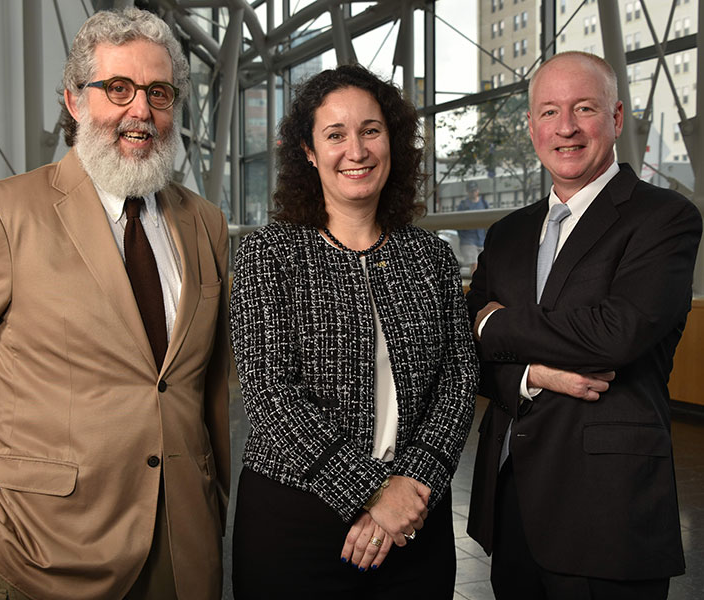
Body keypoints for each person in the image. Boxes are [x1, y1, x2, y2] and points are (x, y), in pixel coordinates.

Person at [0, 8, 230, 600]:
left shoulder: (204, 222)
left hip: (185, 539)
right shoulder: (4, 214)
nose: (141, 111)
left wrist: (218, 494)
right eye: (118, 88)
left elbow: (204, 383)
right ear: (75, 101)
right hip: (43, 547)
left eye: (158, 92)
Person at [229, 64, 478, 599]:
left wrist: (409, 491)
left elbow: (458, 381)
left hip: (415, 518)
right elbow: (271, 394)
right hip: (295, 525)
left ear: (392, 141)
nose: (357, 150)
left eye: (370, 130)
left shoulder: (430, 258)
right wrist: (372, 492)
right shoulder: (266, 256)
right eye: (335, 135)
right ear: (310, 153)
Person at [466, 51, 702, 599]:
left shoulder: (664, 218)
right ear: (531, 127)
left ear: (617, 118)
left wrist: (495, 327)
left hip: (607, 511)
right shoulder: (506, 234)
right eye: (549, 112)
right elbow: (464, 354)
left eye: (584, 108)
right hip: (512, 498)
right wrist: (532, 377)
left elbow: (616, 332)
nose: (565, 127)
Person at [457, 181, 488, 273]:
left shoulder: (483, 203)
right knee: (474, 265)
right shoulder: (463, 205)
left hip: (481, 239)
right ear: (467, 191)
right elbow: (458, 223)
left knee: (483, 264)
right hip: (468, 240)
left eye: (474, 191)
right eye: (471, 191)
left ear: (478, 191)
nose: (473, 193)